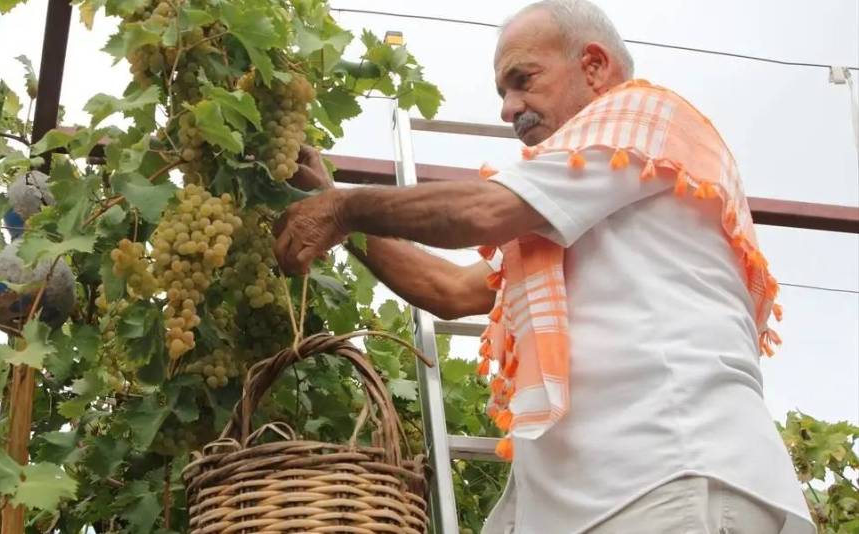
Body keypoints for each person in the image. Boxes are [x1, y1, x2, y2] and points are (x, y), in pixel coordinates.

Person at [272, 1, 817, 532]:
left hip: (674, 473)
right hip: (615, 496)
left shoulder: (644, 120)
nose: (508, 108)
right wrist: (330, 199)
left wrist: (344, 209)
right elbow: (449, 290)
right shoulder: (567, 221)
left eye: (522, 80)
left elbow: (484, 210)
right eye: (503, 91)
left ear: (595, 66)